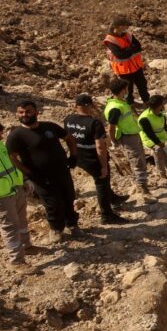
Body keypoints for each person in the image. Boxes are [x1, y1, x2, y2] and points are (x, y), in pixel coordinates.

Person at [5, 101, 79, 242]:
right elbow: (12, 157)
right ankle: (56, 230)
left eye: (28, 111)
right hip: (41, 177)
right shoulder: (16, 135)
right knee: (53, 203)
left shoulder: (49, 126)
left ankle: (73, 225)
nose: (24, 115)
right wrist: (29, 174)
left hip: (63, 172)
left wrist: (73, 156)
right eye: (21, 112)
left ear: (36, 112)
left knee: (68, 198)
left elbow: (69, 138)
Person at [64, 94, 128, 224]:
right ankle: (107, 215)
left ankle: (113, 198)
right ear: (91, 106)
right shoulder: (94, 123)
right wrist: (103, 165)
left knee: (103, 181)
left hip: (77, 155)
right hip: (92, 158)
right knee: (102, 182)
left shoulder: (68, 119)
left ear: (75, 106)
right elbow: (100, 146)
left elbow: (68, 138)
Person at [105, 79, 151, 197]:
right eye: (126, 88)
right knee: (137, 162)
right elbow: (111, 127)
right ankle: (144, 192)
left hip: (133, 134)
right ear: (122, 90)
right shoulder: (115, 108)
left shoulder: (121, 102)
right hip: (127, 137)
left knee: (140, 159)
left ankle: (142, 183)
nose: (128, 91)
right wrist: (114, 141)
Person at [0, 123, 32, 269]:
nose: (1, 136)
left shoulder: (1, 147)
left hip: (16, 189)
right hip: (2, 196)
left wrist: (24, 180)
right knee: (10, 227)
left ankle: (27, 246)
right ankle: (16, 260)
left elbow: (12, 166)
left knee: (21, 220)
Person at [103, 15, 150, 105]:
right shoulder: (110, 40)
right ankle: (130, 105)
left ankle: (147, 101)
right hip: (124, 70)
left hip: (136, 67)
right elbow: (120, 55)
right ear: (119, 26)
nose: (127, 27)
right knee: (128, 89)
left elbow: (138, 46)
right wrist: (131, 48)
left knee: (142, 85)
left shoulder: (128, 35)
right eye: (125, 25)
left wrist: (127, 50)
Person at [138, 95, 167, 186]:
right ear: (159, 105)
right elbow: (151, 135)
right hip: (149, 139)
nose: (164, 105)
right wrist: (163, 146)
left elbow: (164, 124)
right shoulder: (144, 118)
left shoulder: (160, 113)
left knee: (165, 156)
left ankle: (166, 175)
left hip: (161, 137)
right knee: (160, 152)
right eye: (163, 104)